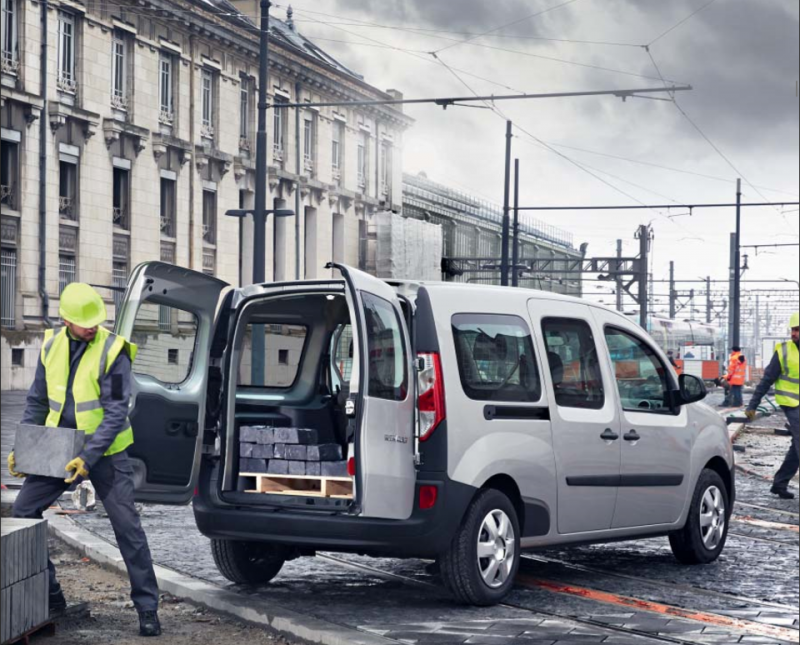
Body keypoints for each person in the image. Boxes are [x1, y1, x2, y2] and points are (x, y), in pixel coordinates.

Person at [7, 284, 162, 637]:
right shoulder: (50, 345)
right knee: (23, 513)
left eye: (95, 321)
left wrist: (87, 458)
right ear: (66, 320)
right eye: (84, 323)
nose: (91, 327)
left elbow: (114, 413)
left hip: (106, 452)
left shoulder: (113, 350)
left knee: (128, 529)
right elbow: (37, 402)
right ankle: (52, 595)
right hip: (58, 447)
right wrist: (24, 449)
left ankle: (148, 608)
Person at [745, 312, 800, 500]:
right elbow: (767, 379)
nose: (794, 334)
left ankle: (780, 484)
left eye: (798, 330)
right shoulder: (784, 351)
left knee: (796, 446)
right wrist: (753, 404)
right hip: (791, 403)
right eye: (793, 330)